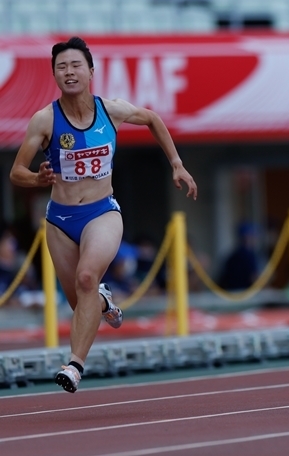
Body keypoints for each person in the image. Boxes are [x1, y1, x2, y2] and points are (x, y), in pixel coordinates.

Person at [9, 36, 197, 393]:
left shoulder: (111, 110)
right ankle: (103, 300)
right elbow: (16, 172)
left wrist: (176, 164)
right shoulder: (45, 120)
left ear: (91, 71)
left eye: (76, 65)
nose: (69, 72)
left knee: (86, 278)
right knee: (81, 300)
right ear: (54, 75)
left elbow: (154, 119)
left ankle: (75, 365)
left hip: (102, 213)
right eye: (61, 67)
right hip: (60, 221)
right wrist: (37, 178)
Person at [218, 221, 262, 290]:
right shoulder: (249, 255)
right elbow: (254, 279)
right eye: (254, 235)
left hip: (231, 294)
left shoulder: (231, 256)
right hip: (245, 295)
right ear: (247, 237)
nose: (256, 239)